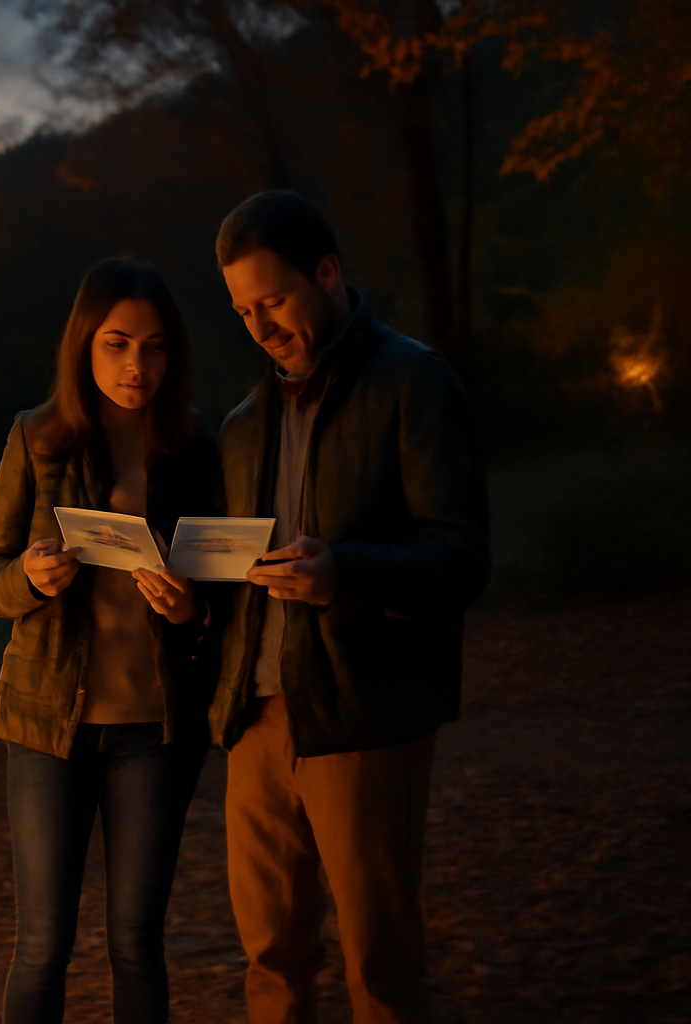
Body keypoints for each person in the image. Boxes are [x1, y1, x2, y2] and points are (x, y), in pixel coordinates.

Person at [210, 190, 489, 1024]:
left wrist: (347, 573)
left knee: (383, 970)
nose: (259, 328)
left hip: (366, 718)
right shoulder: (242, 424)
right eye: (241, 310)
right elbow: (238, 570)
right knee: (269, 958)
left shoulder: (414, 382)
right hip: (256, 722)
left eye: (275, 300)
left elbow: (462, 559)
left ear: (327, 273)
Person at [0, 258, 224, 1024]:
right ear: (84, 344)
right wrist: (31, 577)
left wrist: (190, 610)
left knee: (136, 942)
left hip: (156, 730)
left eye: (153, 347)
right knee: (42, 945)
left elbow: (223, 586)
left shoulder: (194, 448)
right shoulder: (37, 438)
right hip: (49, 726)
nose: (136, 365)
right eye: (116, 344)